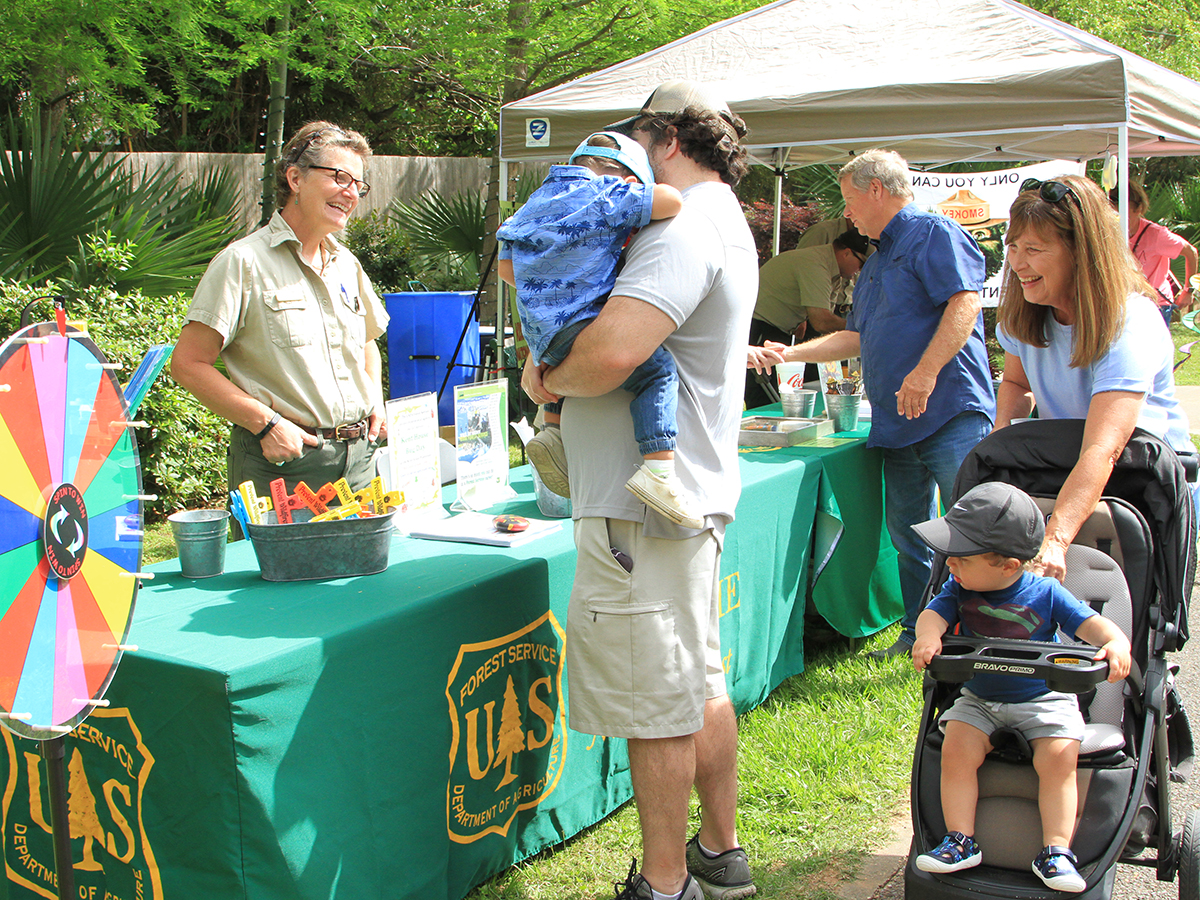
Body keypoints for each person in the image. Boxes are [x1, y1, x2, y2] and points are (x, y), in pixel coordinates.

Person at [522, 80, 759, 900]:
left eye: (633, 146)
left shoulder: (682, 225)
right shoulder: (723, 219)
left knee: (658, 700)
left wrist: (543, 375)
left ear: (663, 139)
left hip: (640, 511)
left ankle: (664, 886)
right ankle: (718, 856)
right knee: (697, 682)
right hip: (670, 502)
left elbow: (614, 354)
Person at [766, 148, 996, 658]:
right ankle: (918, 631)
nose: (845, 214)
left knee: (970, 531)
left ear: (876, 190)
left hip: (948, 411)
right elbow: (855, 339)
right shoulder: (875, 262)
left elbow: (965, 302)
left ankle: (984, 634)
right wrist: (787, 353)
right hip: (898, 422)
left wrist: (925, 371)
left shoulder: (932, 232)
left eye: (849, 200)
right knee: (910, 534)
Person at [910, 482, 1132, 893]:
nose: (950, 565)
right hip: (980, 699)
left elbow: (1091, 625)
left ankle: (1057, 851)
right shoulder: (958, 588)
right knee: (956, 747)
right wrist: (928, 636)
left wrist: (1116, 642)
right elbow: (932, 616)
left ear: (1008, 565)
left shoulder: (1045, 593)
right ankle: (960, 841)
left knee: (1059, 759)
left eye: (961, 558)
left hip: (1043, 699)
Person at [171, 122, 388, 501]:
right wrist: (266, 424)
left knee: (367, 563)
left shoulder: (347, 265)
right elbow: (188, 364)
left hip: (360, 465)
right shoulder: (243, 262)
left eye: (358, 184)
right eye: (340, 177)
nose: (351, 193)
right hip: (285, 467)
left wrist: (375, 402)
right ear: (295, 178)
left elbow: (367, 340)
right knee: (280, 565)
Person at [996, 174, 1197, 580]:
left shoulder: (1128, 323)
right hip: (1071, 474)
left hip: (1142, 488)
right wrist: (1002, 450)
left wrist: (1055, 539)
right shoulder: (1026, 314)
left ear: (1080, 252)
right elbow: (1017, 384)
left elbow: (1103, 449)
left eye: (1034, 249)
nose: (1018, 263)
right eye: (1013, 247)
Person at [497, 132, 702, 528]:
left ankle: (553, 432)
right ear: (625, 177)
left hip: (542, 336)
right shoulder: (608, 194)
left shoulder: (534, 203)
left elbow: (509, 269)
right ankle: (659, 472)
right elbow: (672, 201)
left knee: (562, 365)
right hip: (581, 325)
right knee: (657, 370)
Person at [744, 230, 868, 409]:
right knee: (765, 399)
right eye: (861, 263)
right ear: (846, 252)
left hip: (776, 327)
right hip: (760, 328)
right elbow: (822, 322)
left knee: (781, 395)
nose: (860, 270)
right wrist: (857, 330)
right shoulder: (817, 264)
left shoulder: (827, 265)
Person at [1108, 180, 1197, 324]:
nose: (1116, 219)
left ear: (1139, 209)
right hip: (1124, 304)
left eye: (1122, 213)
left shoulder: (1157, 235)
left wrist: (1188, 291)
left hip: (1157, 305)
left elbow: (1191, 252)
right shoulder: (1108, 233)